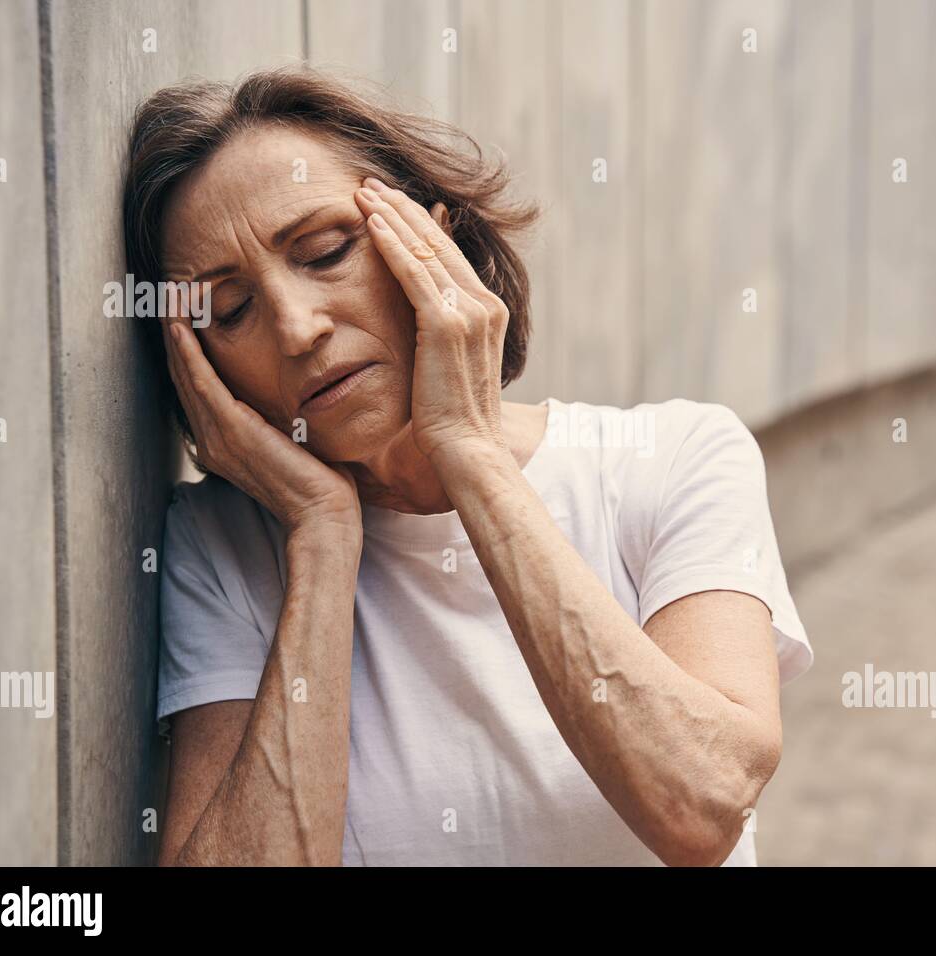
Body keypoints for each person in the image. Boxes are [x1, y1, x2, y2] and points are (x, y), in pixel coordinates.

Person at [124, 68, 812, 866]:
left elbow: (701, 806)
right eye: (231, 310)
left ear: (435, 239)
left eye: (323, 251)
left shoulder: (674, 459)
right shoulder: (220, 546)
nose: (296, 327)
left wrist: (472, 457)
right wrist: (320, 537)